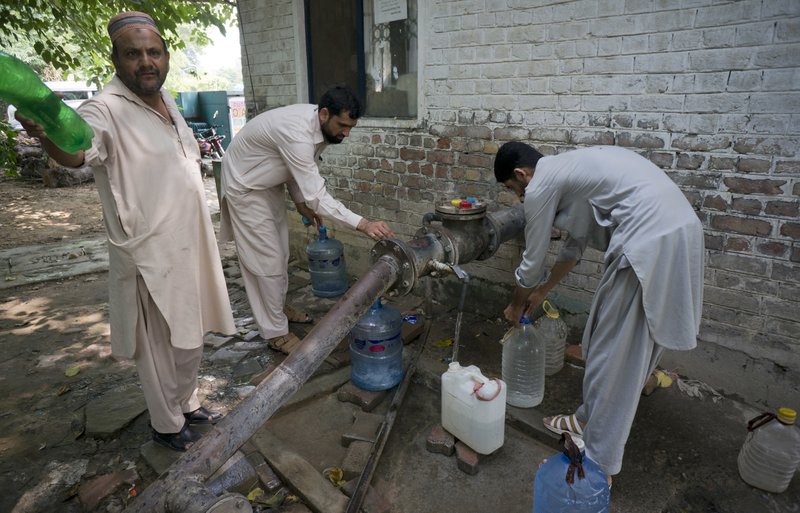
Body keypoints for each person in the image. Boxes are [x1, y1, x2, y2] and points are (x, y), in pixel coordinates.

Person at [16, 11, 235, 452]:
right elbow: (77, 152)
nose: (146, 61)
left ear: (166, 57)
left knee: (190, 334)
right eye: (133, 54)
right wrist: (47, 135)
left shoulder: (166, 100)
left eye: (154, 52)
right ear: (115, 60)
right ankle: (166, 424)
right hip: (147, 250)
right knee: (156, 346)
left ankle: (187, 401)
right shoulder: (104, 109)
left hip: (190, 243)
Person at [494, 142, 704, 485]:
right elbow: (573, 248)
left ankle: (597, 463)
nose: (518, 198)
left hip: (651, 241)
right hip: (673, 233)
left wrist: (516, 304)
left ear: (522, 174)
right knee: (613, 343)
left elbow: (531, 265)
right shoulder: (570, 172)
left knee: (618, 356)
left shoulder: (542, 185)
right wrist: (543, 291)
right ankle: (585, 419)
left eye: (512, 188)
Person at [220, 86, 394, 354]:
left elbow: (296, 168)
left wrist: (300, 203)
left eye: (351, 127)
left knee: (280, 255)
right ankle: (275, 332)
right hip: (244, 186)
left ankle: (276, 307)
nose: (346, 133)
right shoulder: (297, 132)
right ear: (324, 114)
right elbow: (318, 196)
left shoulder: (319, 128)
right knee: (266, 261)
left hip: (267, 184)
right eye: (342, 126)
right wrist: (363, 224)